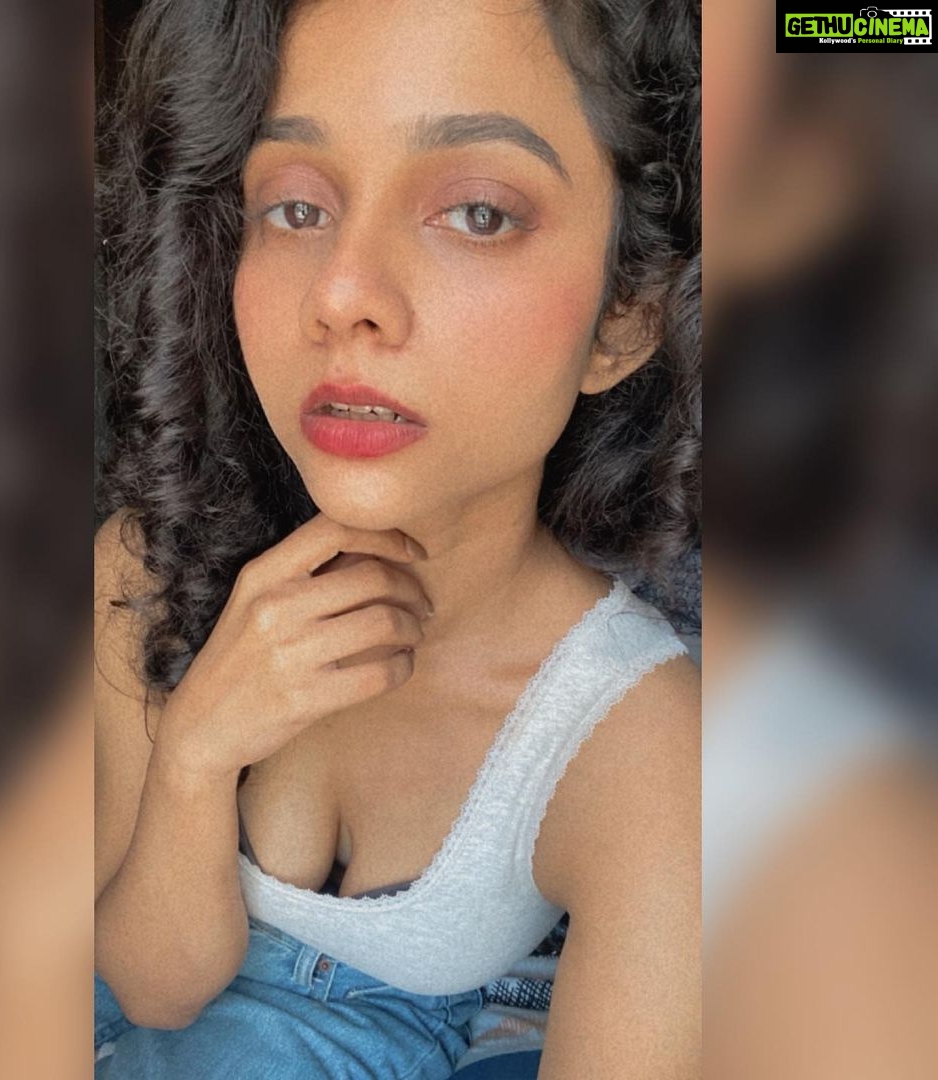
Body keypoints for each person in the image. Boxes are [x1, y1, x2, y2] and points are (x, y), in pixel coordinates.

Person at [94, 0, 700, 1076]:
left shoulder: (635, 742)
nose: (342, 296)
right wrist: (194, 756)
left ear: (625, 319)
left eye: (476, 213)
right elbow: (151, 986)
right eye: (295, 208)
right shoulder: (148, 565)